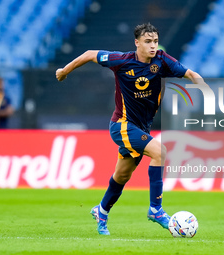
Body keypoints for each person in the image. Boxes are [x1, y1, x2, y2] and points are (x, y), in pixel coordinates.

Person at [56, 23, 206, 235]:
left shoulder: (162, 60)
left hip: (140, 128)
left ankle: (102, 210)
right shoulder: (122, 61)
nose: (153, 46)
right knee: (159, 151)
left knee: (122, 175)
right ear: (137, 43)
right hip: (122, 125)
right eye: (148, 42)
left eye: (155, 41)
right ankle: (156, 209)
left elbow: (191, 73)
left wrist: (206, 91)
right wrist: (64, 71)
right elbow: (90, 54)